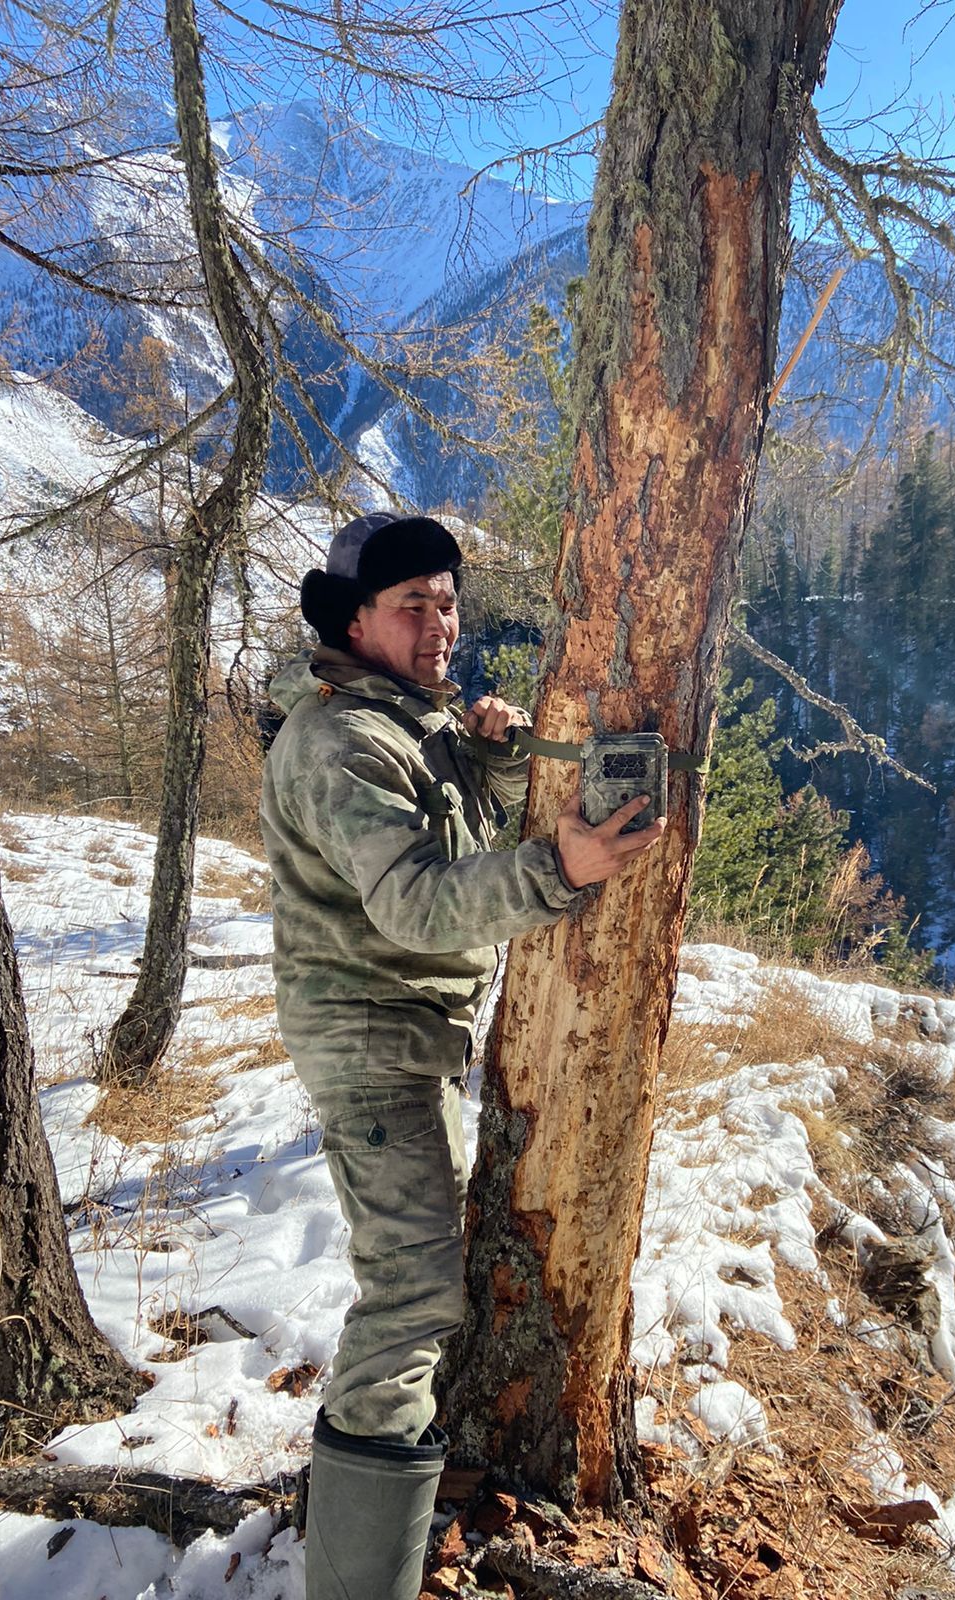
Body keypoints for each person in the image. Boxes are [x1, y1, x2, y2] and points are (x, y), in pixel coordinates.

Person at [259, 511, 664, 1600]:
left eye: (448, 602)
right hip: (378, 1051)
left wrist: (481, 762)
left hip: (411, 1043)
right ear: (354, 619)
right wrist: (560, 865)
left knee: (424, 1297)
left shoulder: (399, 723)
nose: (441, 624)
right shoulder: (345, 741)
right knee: (407, 1307)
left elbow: (431, 840)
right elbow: (415, 900)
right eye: (413, 606)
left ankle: (368, 1540)